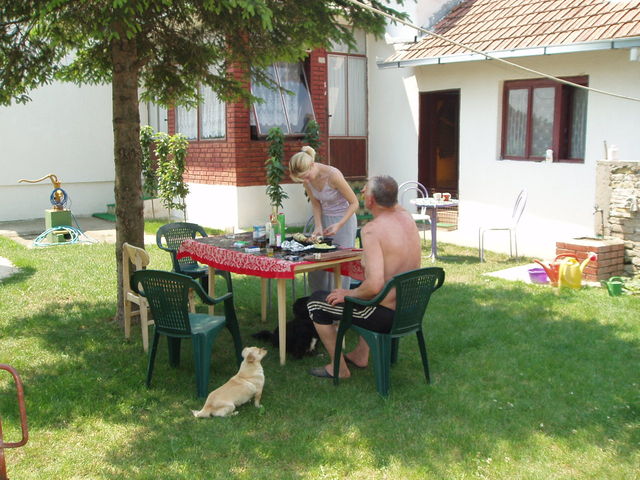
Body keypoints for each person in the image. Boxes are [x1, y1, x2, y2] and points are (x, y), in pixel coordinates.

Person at [306, 175, 422, 379]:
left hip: (385, 315)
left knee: (316, 302)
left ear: (370, 200)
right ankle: (360, 354)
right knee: (362, 288)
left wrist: (347, 293)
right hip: (410, 309)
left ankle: (339, 368)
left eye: (365, 189)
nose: (361, 192)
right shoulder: (407, 218)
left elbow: (374, 286)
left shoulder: (372, 231)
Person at [289, 146, 359, 290]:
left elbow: (354, 203)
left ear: (312, 164)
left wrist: (339, 224)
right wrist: (318, 225)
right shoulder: (307, 180)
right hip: (324, 218)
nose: (305, 180)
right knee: (317, 261)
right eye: (302, 178)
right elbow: (316, 204)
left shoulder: (333, 175)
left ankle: (339, 299)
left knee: (339, 263)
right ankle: (318, 298)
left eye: (306, 176)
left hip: (343, 221)